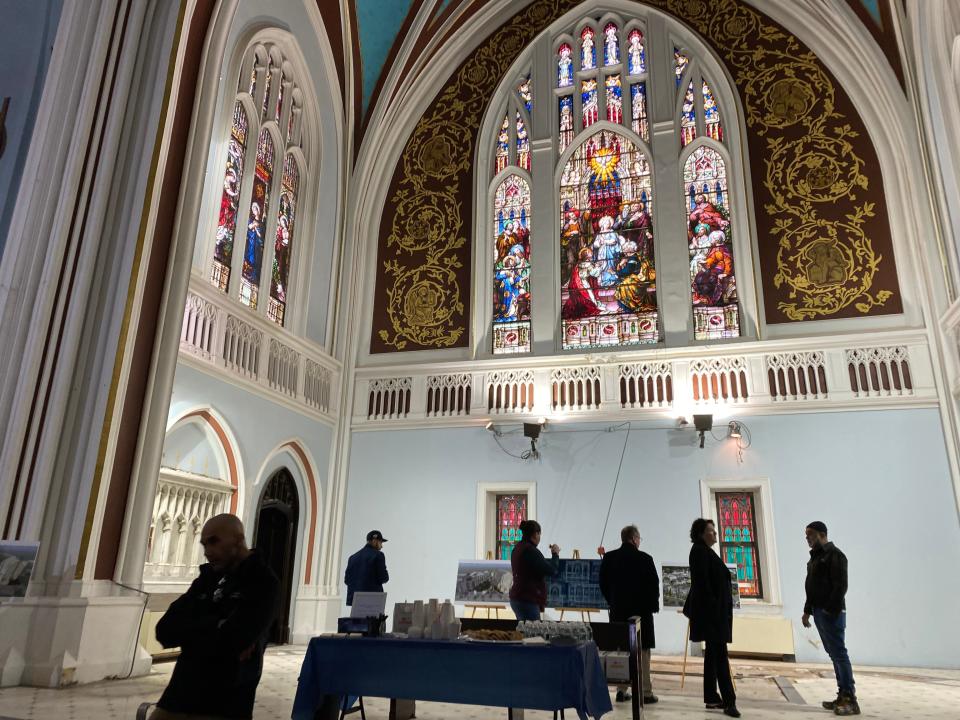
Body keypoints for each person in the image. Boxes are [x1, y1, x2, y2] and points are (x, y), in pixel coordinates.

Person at [151, 514, 280, 720]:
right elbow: (165, 630)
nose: (208, 552)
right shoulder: (207, 578)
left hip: (225, 701)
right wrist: (217, 625)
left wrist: (193, 629)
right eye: (204, 544)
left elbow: (236, 638)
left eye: (214, 541)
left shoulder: (263, 581)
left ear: (238, 539)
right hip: (178, 697)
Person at [684, 518, 740, 718]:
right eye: (710, 531)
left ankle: (711, 696)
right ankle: (729, 701)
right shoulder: (699, 552)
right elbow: (704, 585)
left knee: (712, 656)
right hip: (713, 615)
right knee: (720, 657)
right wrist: (716, 611)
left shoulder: (704, 551)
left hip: (714, 614)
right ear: (701, 534)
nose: (715, 534)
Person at [802, 522, 860, 716]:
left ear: (822, 534)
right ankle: (842, 693)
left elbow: (841, 585)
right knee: (833, 653)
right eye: (806, 535)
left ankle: (850, 699)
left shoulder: (835, 555)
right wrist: (807, 610)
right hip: (819, 611)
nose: (807, 538)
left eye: (810, 535)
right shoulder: (815, 558)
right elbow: (811, 587)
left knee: (839, 653)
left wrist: (829, 609)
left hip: (831, 613)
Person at [599, 525, 660, 704]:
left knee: (620, 650)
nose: (640, 542)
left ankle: (621, 689)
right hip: (641, 613)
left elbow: (603, 583)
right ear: (634, 539)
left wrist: (612, 601)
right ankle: (645, 692)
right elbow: (653, 586)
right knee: (643, 651)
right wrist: (652, 606)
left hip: (618, 612)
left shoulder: (610, 558)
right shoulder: (645, 558)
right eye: (639, 538)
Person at [509, 519, 560, 620]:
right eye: (539, 534)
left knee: (525, 632)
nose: (539, 537)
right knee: (533, 634)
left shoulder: (518, 547)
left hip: (517, 598)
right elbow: (552, 570)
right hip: (527, 600)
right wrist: (555, 554)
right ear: (535, 534)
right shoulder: (530, 551)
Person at [344, 530, 389, 605]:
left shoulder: (352, 557)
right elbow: (383, 578)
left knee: (357, 617)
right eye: (380, 542)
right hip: (373, 601)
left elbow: (347, 580)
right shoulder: (378, 555)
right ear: (374, 541)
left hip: (355, 601)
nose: (381, 546)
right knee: (373, 617)